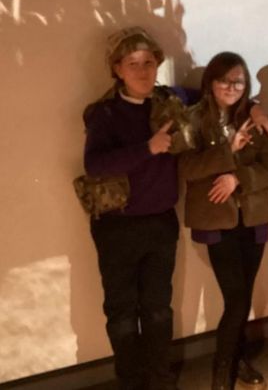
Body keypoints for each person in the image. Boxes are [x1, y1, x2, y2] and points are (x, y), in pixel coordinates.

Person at [81, 26, 197, 390]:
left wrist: (253, 107)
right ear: (117, 69)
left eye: (149, 62)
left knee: (159, 309)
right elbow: (95, 165)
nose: (143, 70)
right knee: (121, 313)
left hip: (161, 222)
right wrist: (148, 148)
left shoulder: (170, 101)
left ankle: (161, 381)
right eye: (133, 63)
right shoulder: (104, 113)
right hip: (117, 227)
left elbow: (216, 93)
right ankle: (131, 383)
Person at [180, 52, 268, 390]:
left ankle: (238, 362)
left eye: (238, 81)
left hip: (253, 219)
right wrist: (228, 149)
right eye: (224, 80)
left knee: (242, 297)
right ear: (210, 82)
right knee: (237, 300)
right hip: (217, 222)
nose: (231, 87)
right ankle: (221, 375)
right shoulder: (193, 119)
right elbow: (186, 168)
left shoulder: (253, 118)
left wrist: (237, 178)